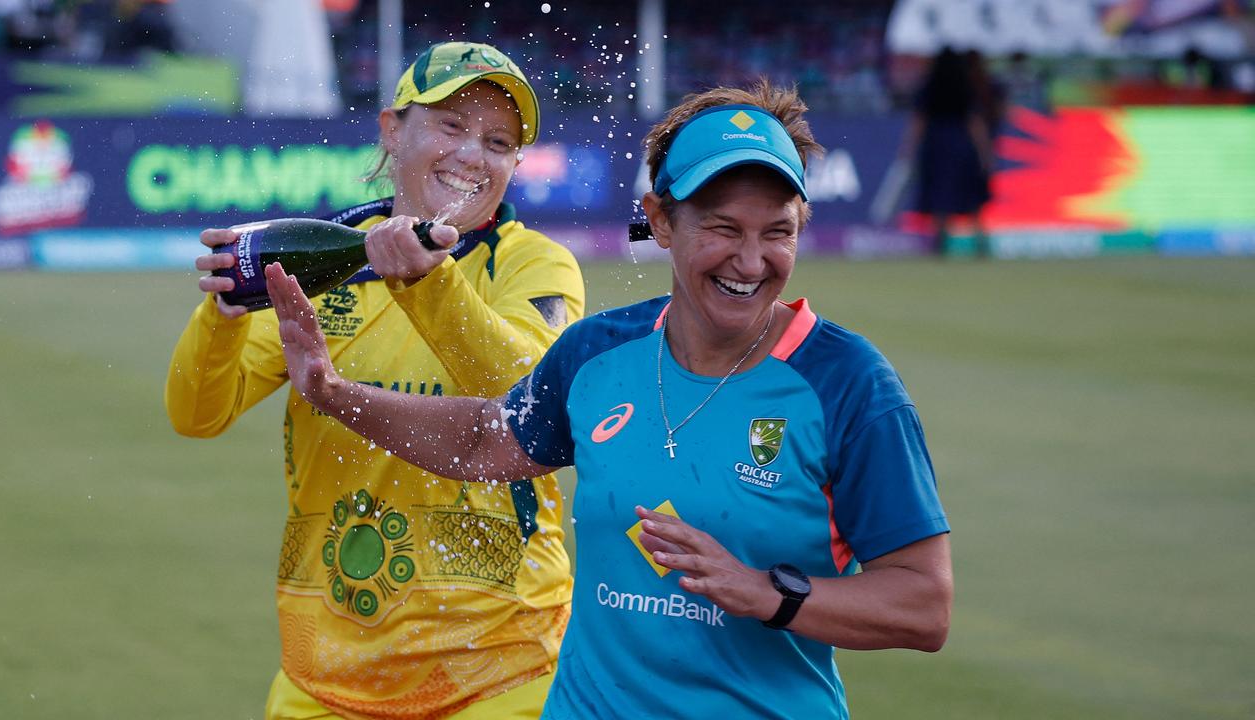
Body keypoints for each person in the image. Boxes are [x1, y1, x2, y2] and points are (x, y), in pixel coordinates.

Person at [263, 79, 952, 719]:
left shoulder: (848, 384)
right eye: (721, 228)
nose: (751, 261)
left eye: (778, 232)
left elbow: (923, 604)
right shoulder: (600, 353)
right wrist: (332, 393)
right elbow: (483, 440)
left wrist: (767, 593)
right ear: (659, 219)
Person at [165, 41, 585, 720]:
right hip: (326, 674)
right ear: (392, 130)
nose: (473, 155)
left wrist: (425, 280)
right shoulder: (321, 254)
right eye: (450, 126)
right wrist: (221, 316)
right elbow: (195, 414)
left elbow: (527, 404)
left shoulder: (536, 266)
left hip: (503, 669)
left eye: (498, 141)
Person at [903, 47, 995, 256]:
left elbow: (919, 121)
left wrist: (908, 149)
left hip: (937, 145)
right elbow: (975, 122)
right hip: (961, 144)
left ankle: (941, 242)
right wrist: (985, 152)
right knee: (969, 195)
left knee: (940, 194)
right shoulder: (964, 87)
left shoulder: (930, 86)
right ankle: (980, 242)